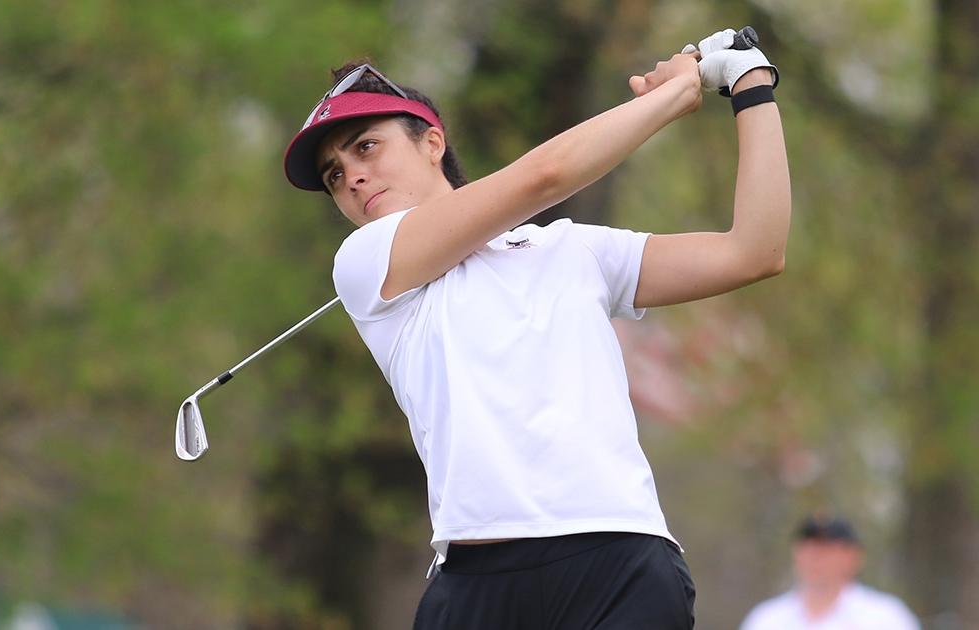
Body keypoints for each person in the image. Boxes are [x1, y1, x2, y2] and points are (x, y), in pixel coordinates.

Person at [283, 27, 789, 629]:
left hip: (619, 563)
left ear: (432, 142)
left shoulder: (574, 250)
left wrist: (750, 84)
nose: (352, 177)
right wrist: (673, 95)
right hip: (477, 581)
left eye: (365, 148)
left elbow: (754, 251)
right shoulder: (365, 264)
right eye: (335, 174)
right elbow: (542, 177)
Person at [740, 515, 921, 630]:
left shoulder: (885, 618)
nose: (815, 559)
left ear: (853, 557)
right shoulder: (766, 619)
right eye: (808, 549)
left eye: (826, 550)